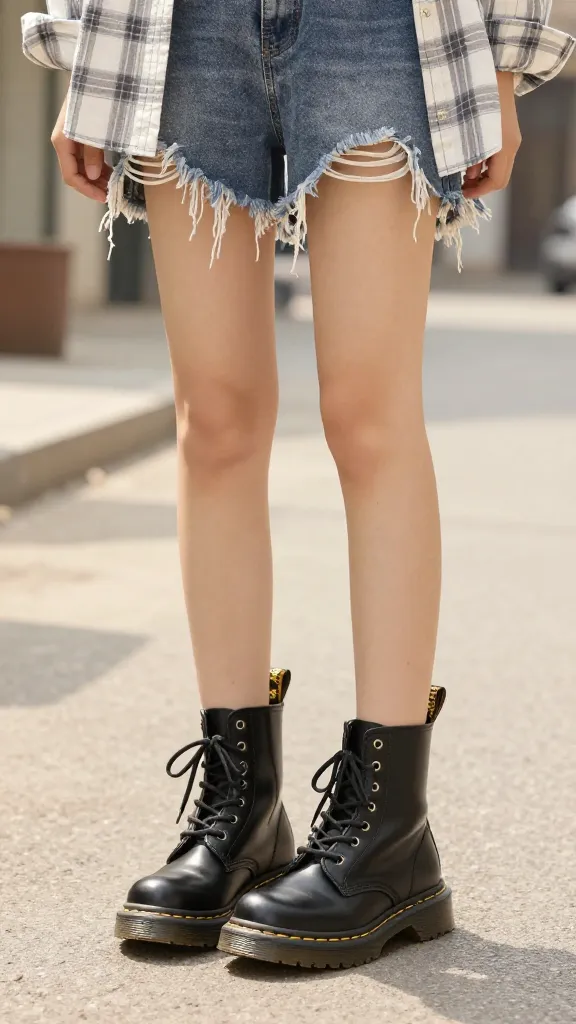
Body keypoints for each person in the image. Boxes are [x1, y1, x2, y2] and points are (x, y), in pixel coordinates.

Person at [23, 0, 574, 969]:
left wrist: (499, 66)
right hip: (182, 30)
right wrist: (86, 56)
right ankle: (240, 815)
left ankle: (390, 832)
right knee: (217, 419)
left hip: (380, 28)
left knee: (368, 411)